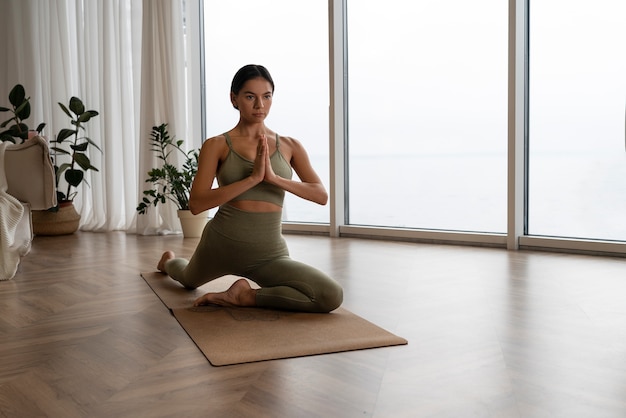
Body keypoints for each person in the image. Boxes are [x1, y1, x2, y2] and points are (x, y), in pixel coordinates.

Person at [157, 64, 343, 313]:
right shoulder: (217, 145)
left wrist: (274, 179)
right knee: (187, 279)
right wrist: (252, 179)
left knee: (330, 296)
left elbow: (321, 196)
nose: (260, 105)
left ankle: (244, 296)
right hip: (220, 246)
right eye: (250, 97)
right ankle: (168, 262)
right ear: (234, 99)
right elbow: (197, 203)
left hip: (269, 254)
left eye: (267, 96)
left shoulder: (290, 146)